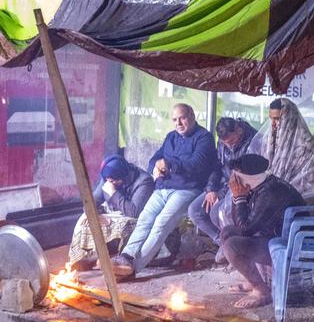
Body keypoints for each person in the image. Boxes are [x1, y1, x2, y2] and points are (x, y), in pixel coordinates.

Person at [112, 103, 217, 278]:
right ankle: (127, 256)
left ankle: (133, 268)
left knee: (161, 223)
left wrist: (169, 164)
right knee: (145, 218)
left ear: (192, 116)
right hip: (163, 187)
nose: (179, 123)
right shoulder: (171, 137)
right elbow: (155, 158)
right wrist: (155, 167)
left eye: (182, 118)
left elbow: (196, 164)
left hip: (187, 189)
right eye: (175, 119)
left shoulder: (204, 137)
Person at [220, 154, 304, 309]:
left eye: (236, 175)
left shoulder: (270, 192)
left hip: (287, 244)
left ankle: (261, 290)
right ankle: (253, 280)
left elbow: (245, 229)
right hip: (272, 236)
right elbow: (239, 224)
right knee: (227, 232)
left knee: (232, 246)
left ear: (247, 177)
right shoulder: (260, 185)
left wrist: (239, 198)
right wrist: (237, 197)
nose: (233, 179)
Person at [187, 116, 257, 263]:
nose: (228, 146)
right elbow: (217, 167)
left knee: (216, 212)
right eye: (225, 143)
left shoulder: (254, 140)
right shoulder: (223, 142)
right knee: (194, 211)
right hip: (221, 185)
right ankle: (224, 244)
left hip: (241, 186)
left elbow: (245, 175)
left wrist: (221, 194)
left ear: (239, 130)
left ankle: (237, 248)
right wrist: (211, 189)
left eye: (231, 141)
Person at [67, 155, 154, 271]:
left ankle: (122, 262)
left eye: (114, 181)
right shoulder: (108, 177)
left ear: (123, 175)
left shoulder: (144, 181)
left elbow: (134, 211)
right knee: (84, 221)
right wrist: (92, 212)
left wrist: (113, 193)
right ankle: (85, 258)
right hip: (112, 212)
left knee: (124, 225)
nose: (111, 183)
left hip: (133, 217)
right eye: (108, 181)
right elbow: (93, 201)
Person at [249, 98, 314, 200]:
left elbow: (309, 185)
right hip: (268, 197)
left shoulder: (306, 146)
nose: (273, 124)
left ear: (289, 118)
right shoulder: (269, 141)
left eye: (277, 119)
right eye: (271, 118)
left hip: (295, 202)